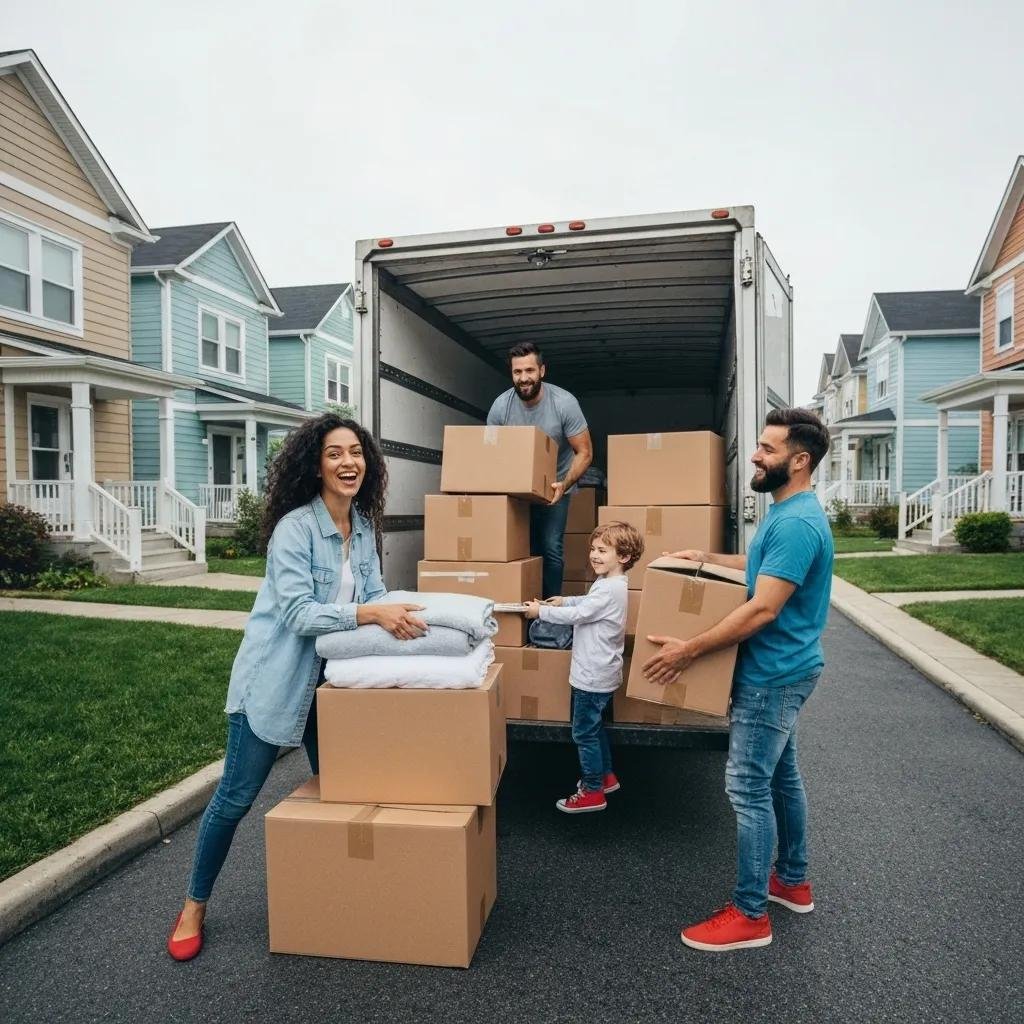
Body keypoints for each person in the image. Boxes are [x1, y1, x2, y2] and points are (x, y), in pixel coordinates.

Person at [166, 414, 428, 962]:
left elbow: (376, 595)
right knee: (234, 799)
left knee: (343, 786)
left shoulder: (362, 527)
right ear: (315, 464)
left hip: (329, 686)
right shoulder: (295, 529)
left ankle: (339, 892)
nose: (348, 462)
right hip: (275, 682)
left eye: (356, 452)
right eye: (335, 453)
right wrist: (371, 612)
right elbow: (297, 614)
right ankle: (194, 905)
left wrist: (403, 621)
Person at [642, 407, 833, 952]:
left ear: (799, 461)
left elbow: (762, 609)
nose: (755, 454)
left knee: (748, 788)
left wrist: (688, 652)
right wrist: (703, 557)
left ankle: (751, 915)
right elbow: (759, 566)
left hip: (773, 674)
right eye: (759, 444)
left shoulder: (797, 522)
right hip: (787, 667)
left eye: (768, 449)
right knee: (781, 778)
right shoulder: (783, 511)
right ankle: (792, 881)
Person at [524, 521, 644, 814]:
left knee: (583, 733)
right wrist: (564, 598)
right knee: (595, 727)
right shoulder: (610, 584)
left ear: (624, 557)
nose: (594, 555)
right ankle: (605, 776)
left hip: (591, 676)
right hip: (601, 673)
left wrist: (543, 612)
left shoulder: (609, 589)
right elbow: (587, 602)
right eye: (593, 549)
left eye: (603, 551)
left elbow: (581, 614)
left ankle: (592, 791)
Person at [487, 342, 592, 598]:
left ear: (542, 371)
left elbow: (585, 452)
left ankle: (550, 609)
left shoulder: (564, 403)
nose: (524, 378)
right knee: (520, 549)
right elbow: (489, 455)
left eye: (530, 371)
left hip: (555, 484)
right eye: (517, 372)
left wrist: (563, 485)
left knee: (550, 547)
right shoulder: (501, 406)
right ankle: (523, 608)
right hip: (517, 487)